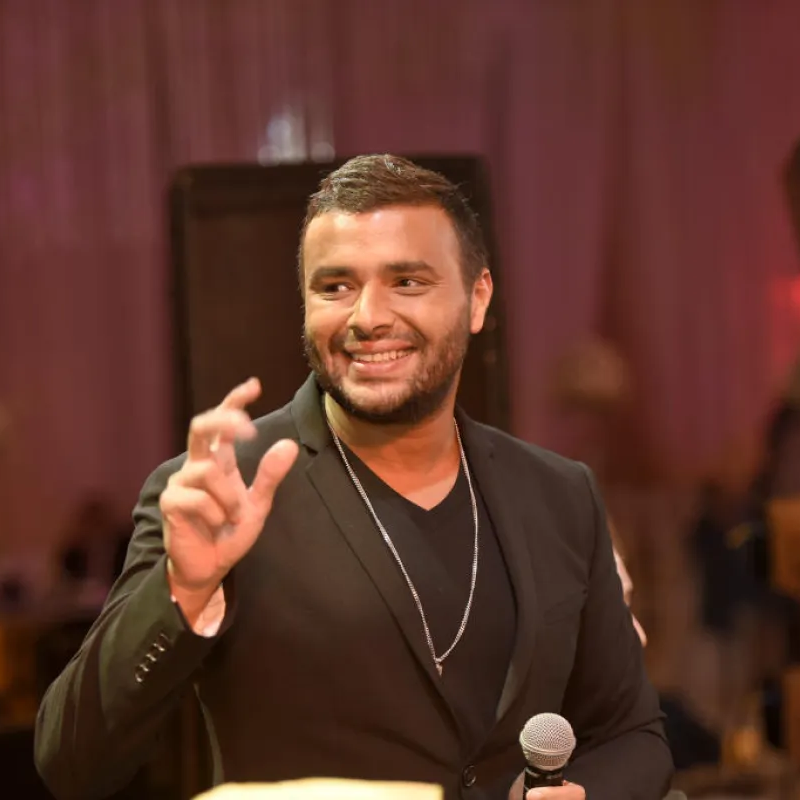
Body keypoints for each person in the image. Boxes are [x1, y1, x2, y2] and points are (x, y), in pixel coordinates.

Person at [35, 155, 672, 800]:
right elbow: (71, 765)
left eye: (408, 281)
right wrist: (183, 592)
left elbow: (632, 736)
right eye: (336, 286)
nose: (368, 316)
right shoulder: (223, 492)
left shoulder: (560, 494)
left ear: (477, 298)